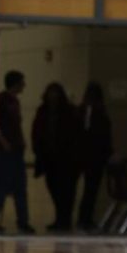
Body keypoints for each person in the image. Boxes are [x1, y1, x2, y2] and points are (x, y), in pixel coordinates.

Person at [31, 82, 80, 231]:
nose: (53, 96)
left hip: (67, 159)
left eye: (56, 93)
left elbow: (75, 134)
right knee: (54, 188)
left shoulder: (69, 112)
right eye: (51, 93)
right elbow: (36, 132)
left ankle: (64, 219)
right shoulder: (42, 111)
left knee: (67, 191)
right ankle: (60, 218)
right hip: (49, 158)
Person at [0, 70, 32, 234]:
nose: (24, 86)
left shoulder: (15, 102)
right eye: (22, 82)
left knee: (20, 186)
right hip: (4, 152)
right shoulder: (1, 100)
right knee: (1, 186)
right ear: (15, 83)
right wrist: (3, 141)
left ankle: (23, 221)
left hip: (16, 151)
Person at [76, 82, 113, 232]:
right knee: (90, 190)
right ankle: (84, 219)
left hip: (91, 156)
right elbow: (98, 135)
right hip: (91, 157)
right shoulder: (93, 113)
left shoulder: (90, 112)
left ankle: (85, 219)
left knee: (90, 190)